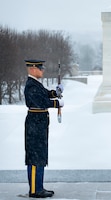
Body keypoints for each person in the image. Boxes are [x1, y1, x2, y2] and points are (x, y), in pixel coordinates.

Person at [24, 59, 64, 198]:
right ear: (33, 69)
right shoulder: (31, 86)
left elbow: (45, 94)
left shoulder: (36, 84)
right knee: (35, 156)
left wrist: (55, 93)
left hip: (39, 123)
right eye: (41, 68)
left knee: (39, 155)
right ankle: (35, 190)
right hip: (35, 123)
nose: (43, 70)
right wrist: (56, 103)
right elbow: (40, 102)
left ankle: (39, 186)